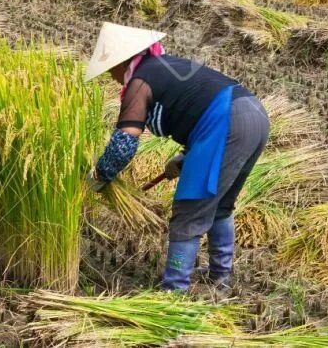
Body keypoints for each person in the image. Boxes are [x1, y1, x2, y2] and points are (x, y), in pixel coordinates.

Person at [83, 23, 269, 292]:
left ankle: (174, 288)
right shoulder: (164, 66)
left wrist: (99, 176)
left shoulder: (140, 81)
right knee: (221, 205)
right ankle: (220, 276)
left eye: (110, 68)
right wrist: (185, 156)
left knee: (188, 212)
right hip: (254, 115)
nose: (112, 77)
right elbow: (196, 105)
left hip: (224, 122)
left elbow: (124, 143)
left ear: (123, 61)